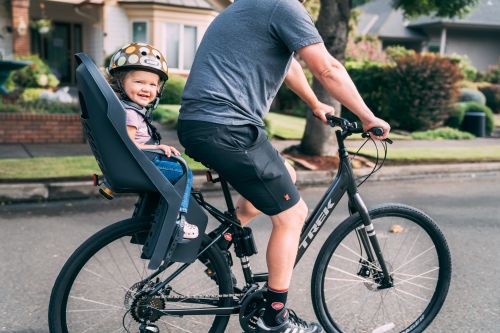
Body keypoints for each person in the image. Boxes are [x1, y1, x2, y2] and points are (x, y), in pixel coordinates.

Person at [177, 0, 390, 332]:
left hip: (201, 124)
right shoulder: (283, 6)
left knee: (285, 173)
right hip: (229, 127)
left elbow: (288, 63)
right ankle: (274, 317)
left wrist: (315, 102)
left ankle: (220, 243)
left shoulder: (246, 6)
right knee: (293, 215)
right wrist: (367, 116)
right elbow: (328, 68)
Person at [108, 43, 198, 239]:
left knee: (174, 168)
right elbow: (128, 146)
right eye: (139, 82)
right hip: (138, 165)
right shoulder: (131, 114)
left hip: (138, 164)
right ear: (121, 82)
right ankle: (178, 221)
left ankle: (160, 218)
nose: (146, 89)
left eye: (152, 84)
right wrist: (157, 147)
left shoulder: (127, 109)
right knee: (183, 173)